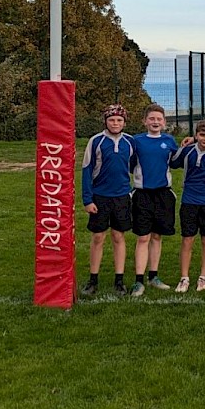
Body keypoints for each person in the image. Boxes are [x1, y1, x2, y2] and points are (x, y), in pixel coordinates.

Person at [79, 104, 134, 296]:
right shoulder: (96, 141)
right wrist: (87, 199)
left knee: (118, 237)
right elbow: (86, 170)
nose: (115, 123)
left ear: (124, 122)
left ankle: (119, 280)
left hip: (122, 197)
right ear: (105, 121)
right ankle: (93, 280)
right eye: (112, 120)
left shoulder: (130, 142)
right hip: (100, 197)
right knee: (98, 237)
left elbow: (135, 166)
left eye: (119, 120)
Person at [129, 103, 179, 297]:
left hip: (163, 195)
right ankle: (138, 281)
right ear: (145, 121)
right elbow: (130, 165)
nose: (155, 122)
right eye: (152, 118)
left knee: (157, 236)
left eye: (159, 119)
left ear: (164, 122)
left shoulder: (169, 141)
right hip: (142, 194)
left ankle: (153, 276)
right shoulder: (136, 141)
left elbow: (175, 162)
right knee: (143, 237)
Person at [170, 120, 205, 292]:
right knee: (187, 239)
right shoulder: (187, 151)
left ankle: (203, 277)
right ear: (196, 135)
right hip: (189, 200)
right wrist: (183, 144)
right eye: (202, 135)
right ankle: (184, 278)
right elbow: (172, 162)